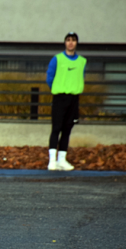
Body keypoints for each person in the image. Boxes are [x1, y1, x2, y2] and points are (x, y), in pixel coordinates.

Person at [46, 32, 86, 171]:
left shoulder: (82, 61)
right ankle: (52, 161)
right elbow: (49, 78)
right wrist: (58, 89)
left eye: (73, 40)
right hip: (59, 97)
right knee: (56, 128)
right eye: (68, 40)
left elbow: (80, 77)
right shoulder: (57, 59)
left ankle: (61, 160)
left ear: (76, 43)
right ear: (65, 42)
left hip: (74, 99)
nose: (70, 43)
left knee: (67, 129)